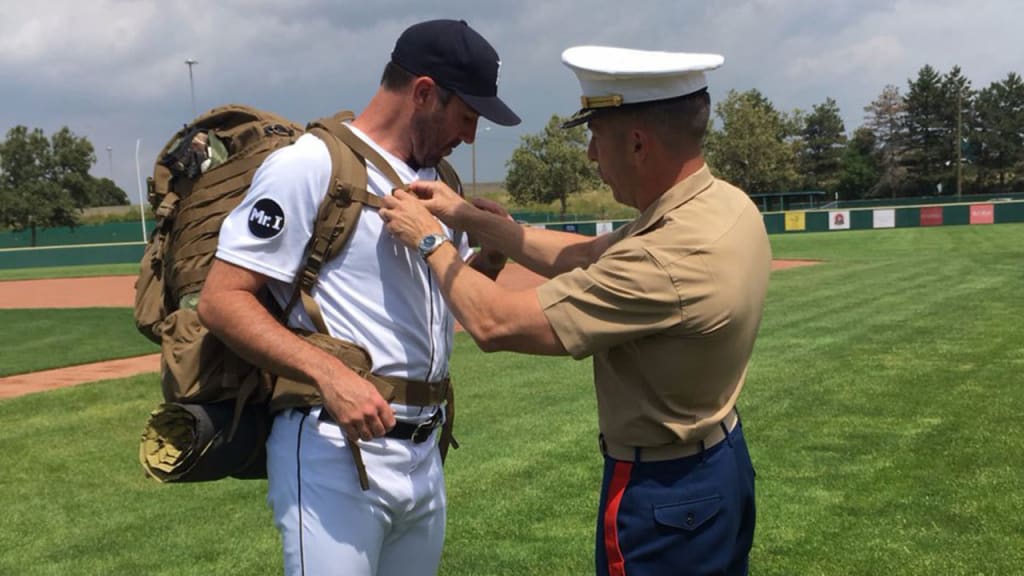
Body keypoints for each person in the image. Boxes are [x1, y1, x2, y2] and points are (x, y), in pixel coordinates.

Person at [379, 46, 771, 575]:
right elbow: (588, 254)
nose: (589, 154)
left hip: (667, 497)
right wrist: (473, 219)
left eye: (596, 135)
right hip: (716, 467)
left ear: (636, 143)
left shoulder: (666, 258)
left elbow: (495, 323)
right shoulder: (720, 204)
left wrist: (432, 241)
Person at [197, 19, 519, 576]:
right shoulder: (310, 165)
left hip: (425, 449)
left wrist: (487, 260)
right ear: (423, 93)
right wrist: (329, 375)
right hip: (333, 449)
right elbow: (222, 300)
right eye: (467, 116)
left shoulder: (440, 182)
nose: (469, 136)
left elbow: (442, 307)